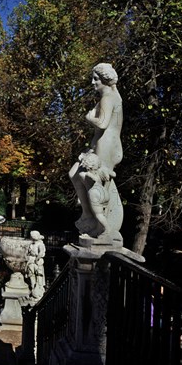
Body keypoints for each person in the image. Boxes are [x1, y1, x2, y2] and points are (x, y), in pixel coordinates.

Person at [69, 63, 123, 238]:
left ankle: (100, 227)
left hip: (106, 146)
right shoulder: (109, 96)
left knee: (93, 183)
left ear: (105, 80)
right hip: (100, 144)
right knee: (73, 174)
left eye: (96, 79)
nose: (93, 82)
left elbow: (102, 123)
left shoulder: (108, 97)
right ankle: (87, 214)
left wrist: (89, 117)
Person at [26, 230, 46, 299]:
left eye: (32, 237)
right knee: (31, 275)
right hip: (31, 261)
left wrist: (36, 259)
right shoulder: (31, 244)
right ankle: (33, 289)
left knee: (39, 276)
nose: (31, 238)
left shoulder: (40, 244)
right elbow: (28, 252)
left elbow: (41, 253)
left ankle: (38, 291)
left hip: (37, 262)